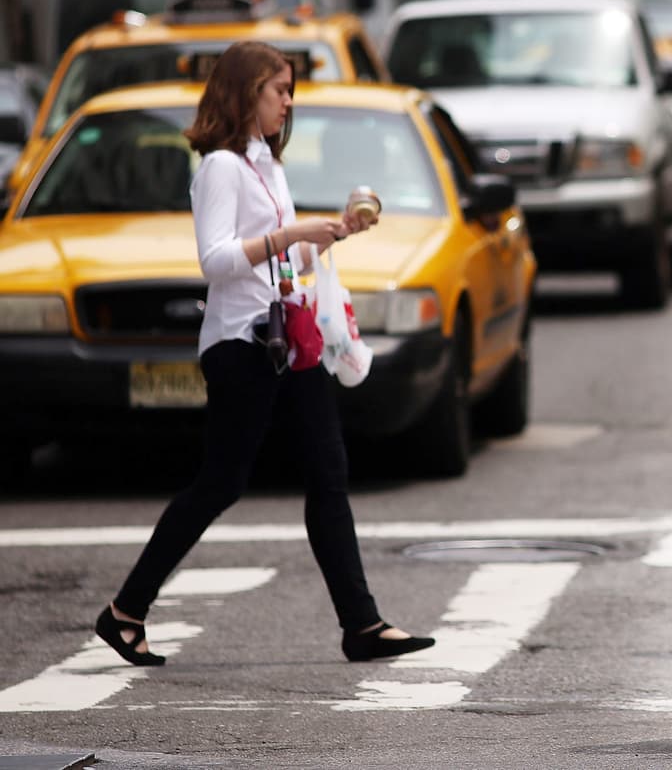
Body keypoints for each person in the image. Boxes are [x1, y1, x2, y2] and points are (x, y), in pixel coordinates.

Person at [94, 41, 434, 667]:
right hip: (241, 345)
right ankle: (125, 611)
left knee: (328, 472)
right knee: (221, 482)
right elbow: (216, 260)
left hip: (288, 338)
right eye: (279, 90)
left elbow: (282, 260)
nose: (288, 103)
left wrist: (329, 235)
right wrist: (291, 232)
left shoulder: (266, 166)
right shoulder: (220, 168)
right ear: (246, 91)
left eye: (290, 91)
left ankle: (362, 624)